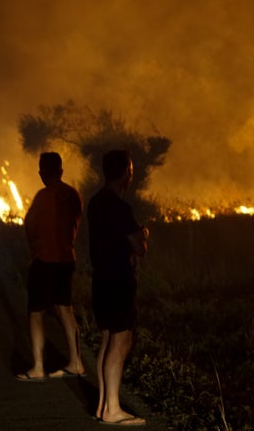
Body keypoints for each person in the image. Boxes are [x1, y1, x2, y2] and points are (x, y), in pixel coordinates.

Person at [88, 150, 149, 426]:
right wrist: (143, 235)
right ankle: (113, 409)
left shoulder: (95, 202)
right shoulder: (120, 208)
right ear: (126, 172)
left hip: (101, 280)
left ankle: (103, 406)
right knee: (121, 340)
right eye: (131, 170)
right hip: (119, 280)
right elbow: (139, 247)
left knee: (107, 338)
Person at [15, 152, 86, 381]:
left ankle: (37, 367)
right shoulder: (73, 194)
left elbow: (30, 226)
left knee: (35, 313)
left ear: (42, 173)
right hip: (67, 259)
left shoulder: (43, 196)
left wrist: (34, 249)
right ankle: (76, 362)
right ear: (61, 171)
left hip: (44, 260)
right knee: (65, 309)